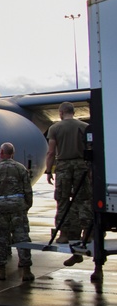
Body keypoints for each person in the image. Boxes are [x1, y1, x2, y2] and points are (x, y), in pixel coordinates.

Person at [45, 101, 92, 265]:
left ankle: (63, 233)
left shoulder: (55, 128)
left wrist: (48, 170)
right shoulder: (84, 127)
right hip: (81, 165)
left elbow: (51, 152)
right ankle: (88, 232)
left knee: (62, 200)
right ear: (73, 112)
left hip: (64, 167)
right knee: (83, 200)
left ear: (61, 113)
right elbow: (90, 149)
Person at [0, 142, 34, 282]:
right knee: (22, 237)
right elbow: (28, 190)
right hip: (18, 207)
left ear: (1, 152)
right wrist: (26, 207)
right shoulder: (20, 168)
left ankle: (2, 270)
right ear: (13, 153)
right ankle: (26, 270)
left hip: (0, 206)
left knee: (1, 239)